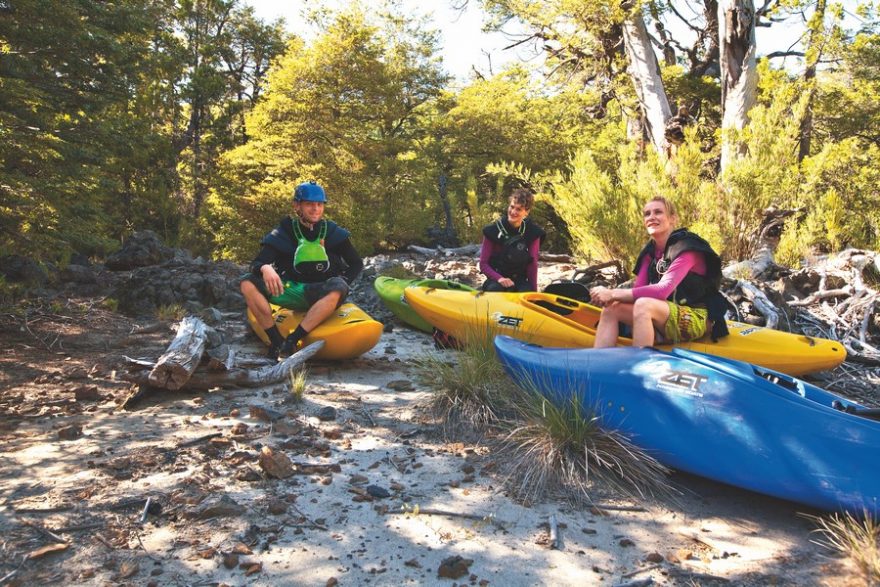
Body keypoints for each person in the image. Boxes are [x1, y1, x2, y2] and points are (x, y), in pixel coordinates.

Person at [241, 181, 363, 360]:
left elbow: (356, 263)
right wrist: (265, 267)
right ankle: (276, 340)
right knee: (247, 282)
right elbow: (256, 263)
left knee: (338, 285)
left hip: (320, 292)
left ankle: (292, 340)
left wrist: (343, 283)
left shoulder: (332, 231)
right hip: (290, 290)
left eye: (319, 204)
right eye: (309, 204)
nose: (315, 209)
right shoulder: (284, 232)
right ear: (297, 206)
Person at [589, 196, 729, 348]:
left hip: (697, 317)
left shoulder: (687, 248)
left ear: (673, 219)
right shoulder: (649, 253)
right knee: (611, 308)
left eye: (658, 212)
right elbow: (637, 291)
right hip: (665, 315)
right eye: (647, 214)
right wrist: (606, 299)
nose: (652, 217)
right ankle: (600, 360)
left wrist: (611, 293)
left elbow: (662, 290)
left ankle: (640, 366)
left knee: (643, 305)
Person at [479, 188, 545, 292]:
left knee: (526, 292)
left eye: (518, 209)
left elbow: (532, 265)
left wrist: (534, 292)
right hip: (496, 279)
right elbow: (483, 264)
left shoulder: (533, 232)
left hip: (520, 280)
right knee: (495, 289)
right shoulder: (492, 231)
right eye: (512, 207)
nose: (513, 212)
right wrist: (499, 278)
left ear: (526, 212)